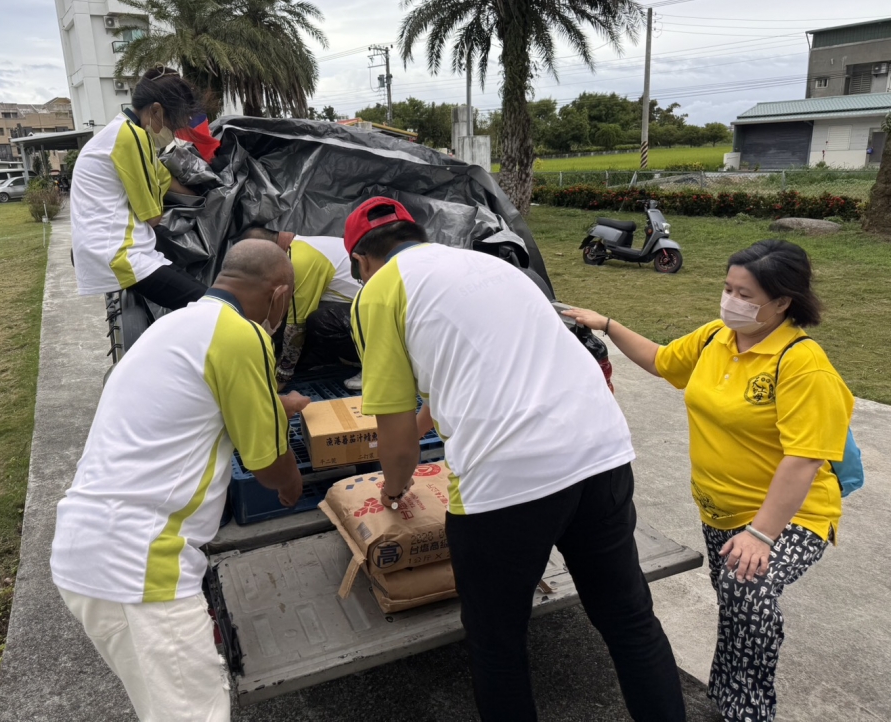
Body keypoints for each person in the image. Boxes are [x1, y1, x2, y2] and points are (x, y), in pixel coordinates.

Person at [345, 196, 686, 722]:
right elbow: (461, 376)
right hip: (600, 451)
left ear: (361, 261)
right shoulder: (487, 266)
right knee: (628, 618)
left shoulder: (378, 293)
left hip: (507, 481)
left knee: (497, 643)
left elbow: (394, 437)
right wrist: (420, 430)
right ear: (419, 237)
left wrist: (393, 487)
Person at [564, 239, 854, 722]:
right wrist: (607, 324)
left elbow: (804, 459)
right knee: (736, 607)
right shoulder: (716, 338)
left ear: (783, 302)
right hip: (721, 512)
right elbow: (662, 361)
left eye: (745, 295)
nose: (731, 301)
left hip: (789, 517)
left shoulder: (803, 364)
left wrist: (761, 534)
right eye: (728, 288)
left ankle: (748, 711)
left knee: (748, 594)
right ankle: (725, 698)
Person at [51, 240, 310, 722]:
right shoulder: (243, 334)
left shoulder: (177, 326)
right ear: (278, 295)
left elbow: (202, 402)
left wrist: (282, 406)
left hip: (86, 550)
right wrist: (291, 484)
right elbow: (269, 464)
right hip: (143, 561)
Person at [70, 65, 207, 311]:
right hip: (120, 255)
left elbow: (165, 180)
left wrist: (205, 198)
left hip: (108, 249)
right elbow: (152, 217)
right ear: (155, 110)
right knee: (208, 305)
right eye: (172, 124)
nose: (173, 132)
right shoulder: (131, 136)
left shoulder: (122, 132)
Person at [238, 227, 362, 388]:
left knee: (320, 320)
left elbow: (296, 328)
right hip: (369, 309)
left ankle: (374, 364)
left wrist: (282, 377)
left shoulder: (300, 261)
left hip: (382, 318)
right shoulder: (302, 247)